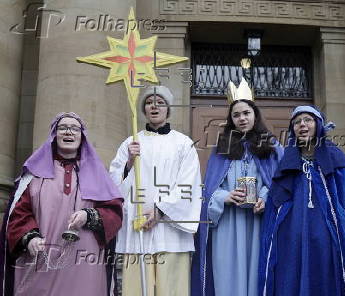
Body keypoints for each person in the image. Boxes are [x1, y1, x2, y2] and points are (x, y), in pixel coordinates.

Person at [0, 112, 123, 296]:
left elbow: (114, 212)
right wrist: (29, 237)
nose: (69, 132)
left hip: (84, 261)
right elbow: (19, 213)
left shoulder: (98, 175)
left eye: (75, 128)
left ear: (82, 136)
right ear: (54, 134)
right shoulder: (33, 175)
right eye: (63, 128)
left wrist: (88, 216)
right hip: (39, 260)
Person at [259, 105, 345, 296]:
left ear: (318, 125)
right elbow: (276, 199)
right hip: (292, 236)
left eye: (308, 120)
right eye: (297, 122)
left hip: (327, 237)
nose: (302, 125)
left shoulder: (336, 158)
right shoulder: (287, 163)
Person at [191, 78, 283, 296]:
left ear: (255, 115)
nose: (242, 118)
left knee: (257, 271)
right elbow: (210, 188)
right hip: (228, 223)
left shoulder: (272, 146)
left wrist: (265, 196)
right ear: (231, 119)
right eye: (236, 115)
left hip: (259, 221)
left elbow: (282, 183)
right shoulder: (221, 148)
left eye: (246, 113)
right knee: (227, 273)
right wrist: (225, 196)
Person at [110, 85, 202, 296]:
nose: (154, 106)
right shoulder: (130, 143)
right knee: (136, 288)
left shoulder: (183, 143)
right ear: (143, 109)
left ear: (168, 109)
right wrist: (129, 163)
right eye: (149, 103)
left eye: (160, 103)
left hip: (171, 230)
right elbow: (113, 182)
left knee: (172, 289)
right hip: (138, 228)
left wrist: (160, 209)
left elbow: (189, 183)